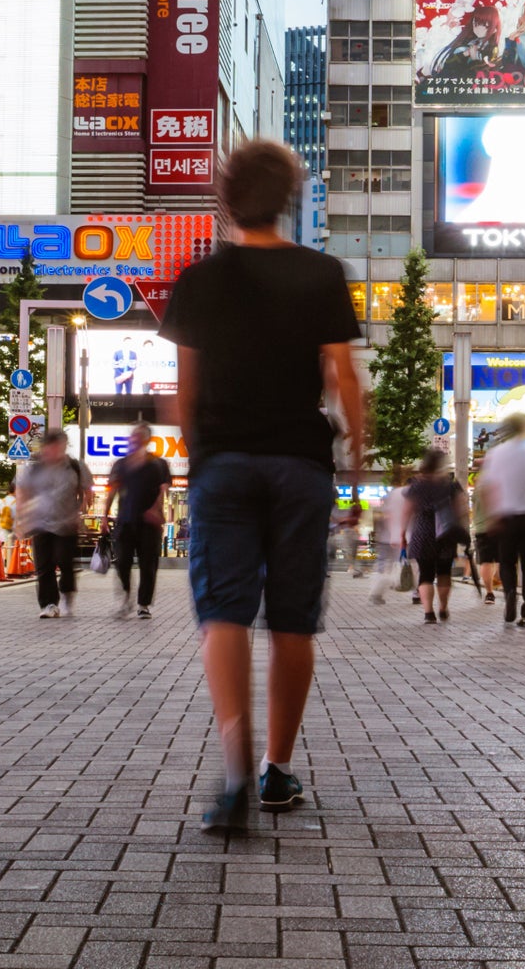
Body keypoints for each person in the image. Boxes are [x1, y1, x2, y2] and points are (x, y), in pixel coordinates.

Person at [161, 137, 367, 836]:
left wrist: (199, 457)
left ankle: (235, 767)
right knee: (292, 620)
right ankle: (279, 770)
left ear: (225, 198)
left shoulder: (199, 280)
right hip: (301, 463)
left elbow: (183, 390)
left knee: (223, 612)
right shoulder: (321, 273)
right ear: (288, 201)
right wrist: (357, 456)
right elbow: (342, 375)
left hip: (224, 461)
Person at [474, 414, 525, 629]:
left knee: (506, 561)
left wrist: (492, 516)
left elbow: (488, 488)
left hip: (506, 517)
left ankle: (509, 592)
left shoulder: (496, 454)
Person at [13, 426, 90, 619]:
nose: (54, 451)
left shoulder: (74, 466)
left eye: (60, 446)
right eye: (51, 446)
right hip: (40, 523)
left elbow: (87, 490)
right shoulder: (34, 469)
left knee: (64, 562)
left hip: (66, 524)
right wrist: (22, 517)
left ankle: (66, 594)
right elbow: (22, 490)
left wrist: (81, 509)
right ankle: (48, 604)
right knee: (44, 566)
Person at [107, 440, 175, 618]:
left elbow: (164, 489)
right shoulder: (121, 464)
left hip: (149, 524)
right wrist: (104, 515)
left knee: (148, 565)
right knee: (122, 561)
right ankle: (125, 596)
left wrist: (156, 509)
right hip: (125, 521)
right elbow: (113, 489)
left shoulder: (159, 464)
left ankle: (143, 604)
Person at [405, 448, 467, 624]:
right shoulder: (451, 484)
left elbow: (407, 511)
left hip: (423, 533)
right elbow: (461, 509)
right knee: (444, 573)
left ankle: (428, 613)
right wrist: (462, 529)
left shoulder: (417, 485)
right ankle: (443, 607)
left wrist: (401, 534)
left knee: (425, 574)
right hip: (446, 534)